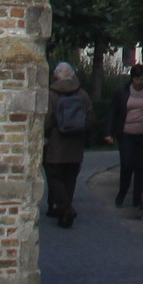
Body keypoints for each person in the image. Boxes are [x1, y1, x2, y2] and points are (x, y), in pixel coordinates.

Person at [44, 62, 90, 227]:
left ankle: (65, 208)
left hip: (56, 144)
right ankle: (64, 211)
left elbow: (47, 119)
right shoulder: (82, 94)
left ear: (56, 75)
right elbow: (90, 119)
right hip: (76, 144)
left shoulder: (51, 94)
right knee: (70, 178)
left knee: (54, 177)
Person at [112, 66, 143, 211]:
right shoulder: (122, 91)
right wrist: (110, 131)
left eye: (142, 79)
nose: (139, 82)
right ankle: (122, 193)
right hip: (126, 133)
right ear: (131, 78)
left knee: (141, 167)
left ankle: (137, 198)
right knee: (127, 164)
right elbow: (114, 111)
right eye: (136, 79)